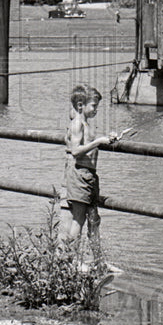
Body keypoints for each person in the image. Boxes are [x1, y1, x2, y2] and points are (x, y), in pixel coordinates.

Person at [59, 83, 119, 264]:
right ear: (80, 106)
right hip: (80, 175)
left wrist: (108, 138)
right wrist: (99, 141)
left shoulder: (86, 124)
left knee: (94, 220)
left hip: (90, 177)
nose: (96, 110)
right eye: (93, 106)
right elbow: (76, 151)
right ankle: (71, 262)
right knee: (78, 220)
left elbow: (90, 142)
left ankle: (99, 262)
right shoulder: (77, 123)